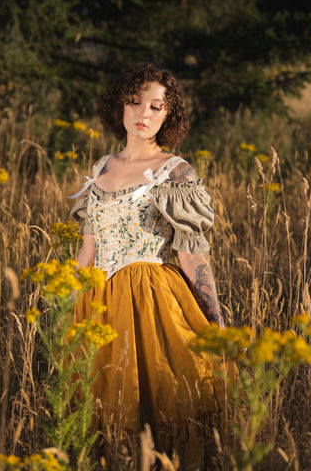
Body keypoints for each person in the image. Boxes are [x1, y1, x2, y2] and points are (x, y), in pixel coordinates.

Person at [70, 63, 233, 469]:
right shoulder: (101, 167)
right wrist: (67, 302)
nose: (144, 114)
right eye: (135, 102)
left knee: (162, 402)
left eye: (157, 107)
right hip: (99, 301)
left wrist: (218, 322)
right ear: (119, 106)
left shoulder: (174, 171)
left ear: (168, 115)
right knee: (107, 408)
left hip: (151, 297)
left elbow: (192, 254)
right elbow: (88, 245)